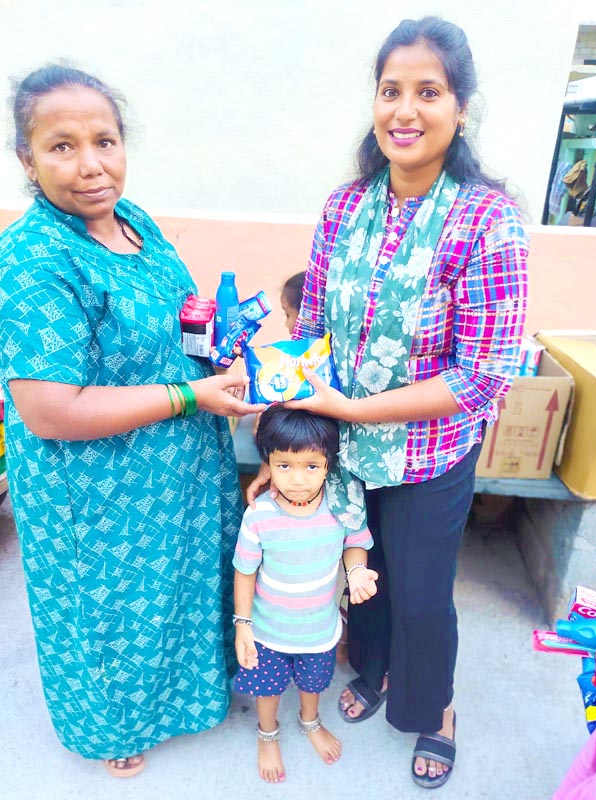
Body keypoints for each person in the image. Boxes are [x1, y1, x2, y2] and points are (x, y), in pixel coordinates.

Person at [248, 16, 528, 789]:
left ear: (460, 108)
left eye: (427, 92)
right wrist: (283, 425)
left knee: (422, 595)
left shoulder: (487, 220)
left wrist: (353, 412)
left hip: (428, 453)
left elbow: (483, 374)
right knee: (359, 574)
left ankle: (434, 709)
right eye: (390, 90)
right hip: (343, 449)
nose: (405, 110)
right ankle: (371, 670)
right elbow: (313, 330)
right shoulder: (346, 207)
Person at [0, 65, 264, 777]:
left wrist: (218, 350)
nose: (91, 165)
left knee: (179, 592)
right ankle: (113, 728)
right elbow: (50, 410)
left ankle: (189, 700)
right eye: (62, 146)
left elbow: (174, 316)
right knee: (112, 619)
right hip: (96, 491)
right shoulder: (33, 258)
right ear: (27, 158)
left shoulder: (133, 221)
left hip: (176, 468)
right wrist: (189, 397)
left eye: (105, 141)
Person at [233, 405, 377, 783]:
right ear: (268, 463)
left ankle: (309, 721)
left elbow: (355, 544)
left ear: (329, 463)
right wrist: (243, 625)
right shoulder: (259, 515)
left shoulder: (341, 506)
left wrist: (357, 572)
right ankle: (267, 733)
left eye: (311, 466)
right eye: (285, 465)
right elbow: (244, 572)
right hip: (267, 632)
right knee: (267, 689)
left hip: (319, 631)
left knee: (313, 684)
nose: (297, 479)